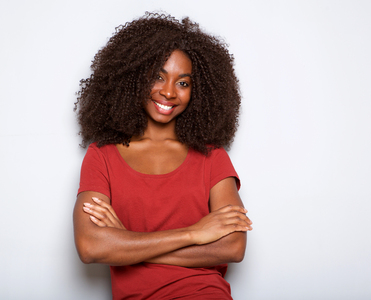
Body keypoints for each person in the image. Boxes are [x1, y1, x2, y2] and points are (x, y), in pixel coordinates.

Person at [73, 12, 252, 299]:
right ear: (133, 76)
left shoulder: (211, 156)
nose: (169, 92)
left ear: (198, 91)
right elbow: (90, 247)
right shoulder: (102, 155)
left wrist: (127, 245)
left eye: (183, 83)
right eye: (158, 76)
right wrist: (193, 233)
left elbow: (233, 246)